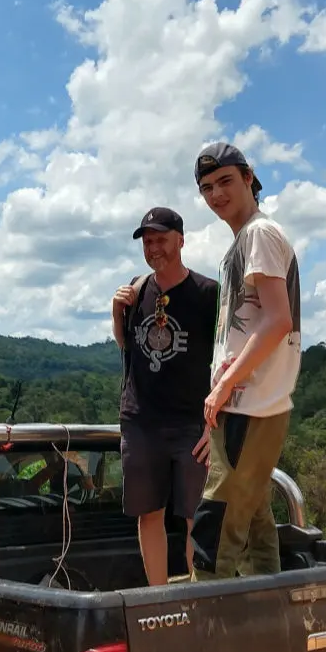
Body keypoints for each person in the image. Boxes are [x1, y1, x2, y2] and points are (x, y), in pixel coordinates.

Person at [190, 142, 301, 580]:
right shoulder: (240, 244)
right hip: (241, 405)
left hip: (249, 405)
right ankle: (271, 627)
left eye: (225, 182)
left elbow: (277, 319)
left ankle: (208, 640)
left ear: (250, 177)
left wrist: (222, 387)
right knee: (253, 520)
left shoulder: (259, 234)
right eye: (206, 188)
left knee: (215, 532)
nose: (216, 194)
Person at [112, 206, 218, 585]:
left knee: (196, 515)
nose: (154, 247)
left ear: (181, 240)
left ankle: (195, 598)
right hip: (142, 420)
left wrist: (214, 425)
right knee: (149, 512)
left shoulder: (208, 294)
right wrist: (115, 313)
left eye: (162, 239)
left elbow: (224, 360)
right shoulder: (137, 290)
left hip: (192, 422)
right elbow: (131, 349)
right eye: (148, 240)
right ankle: (158, 598)